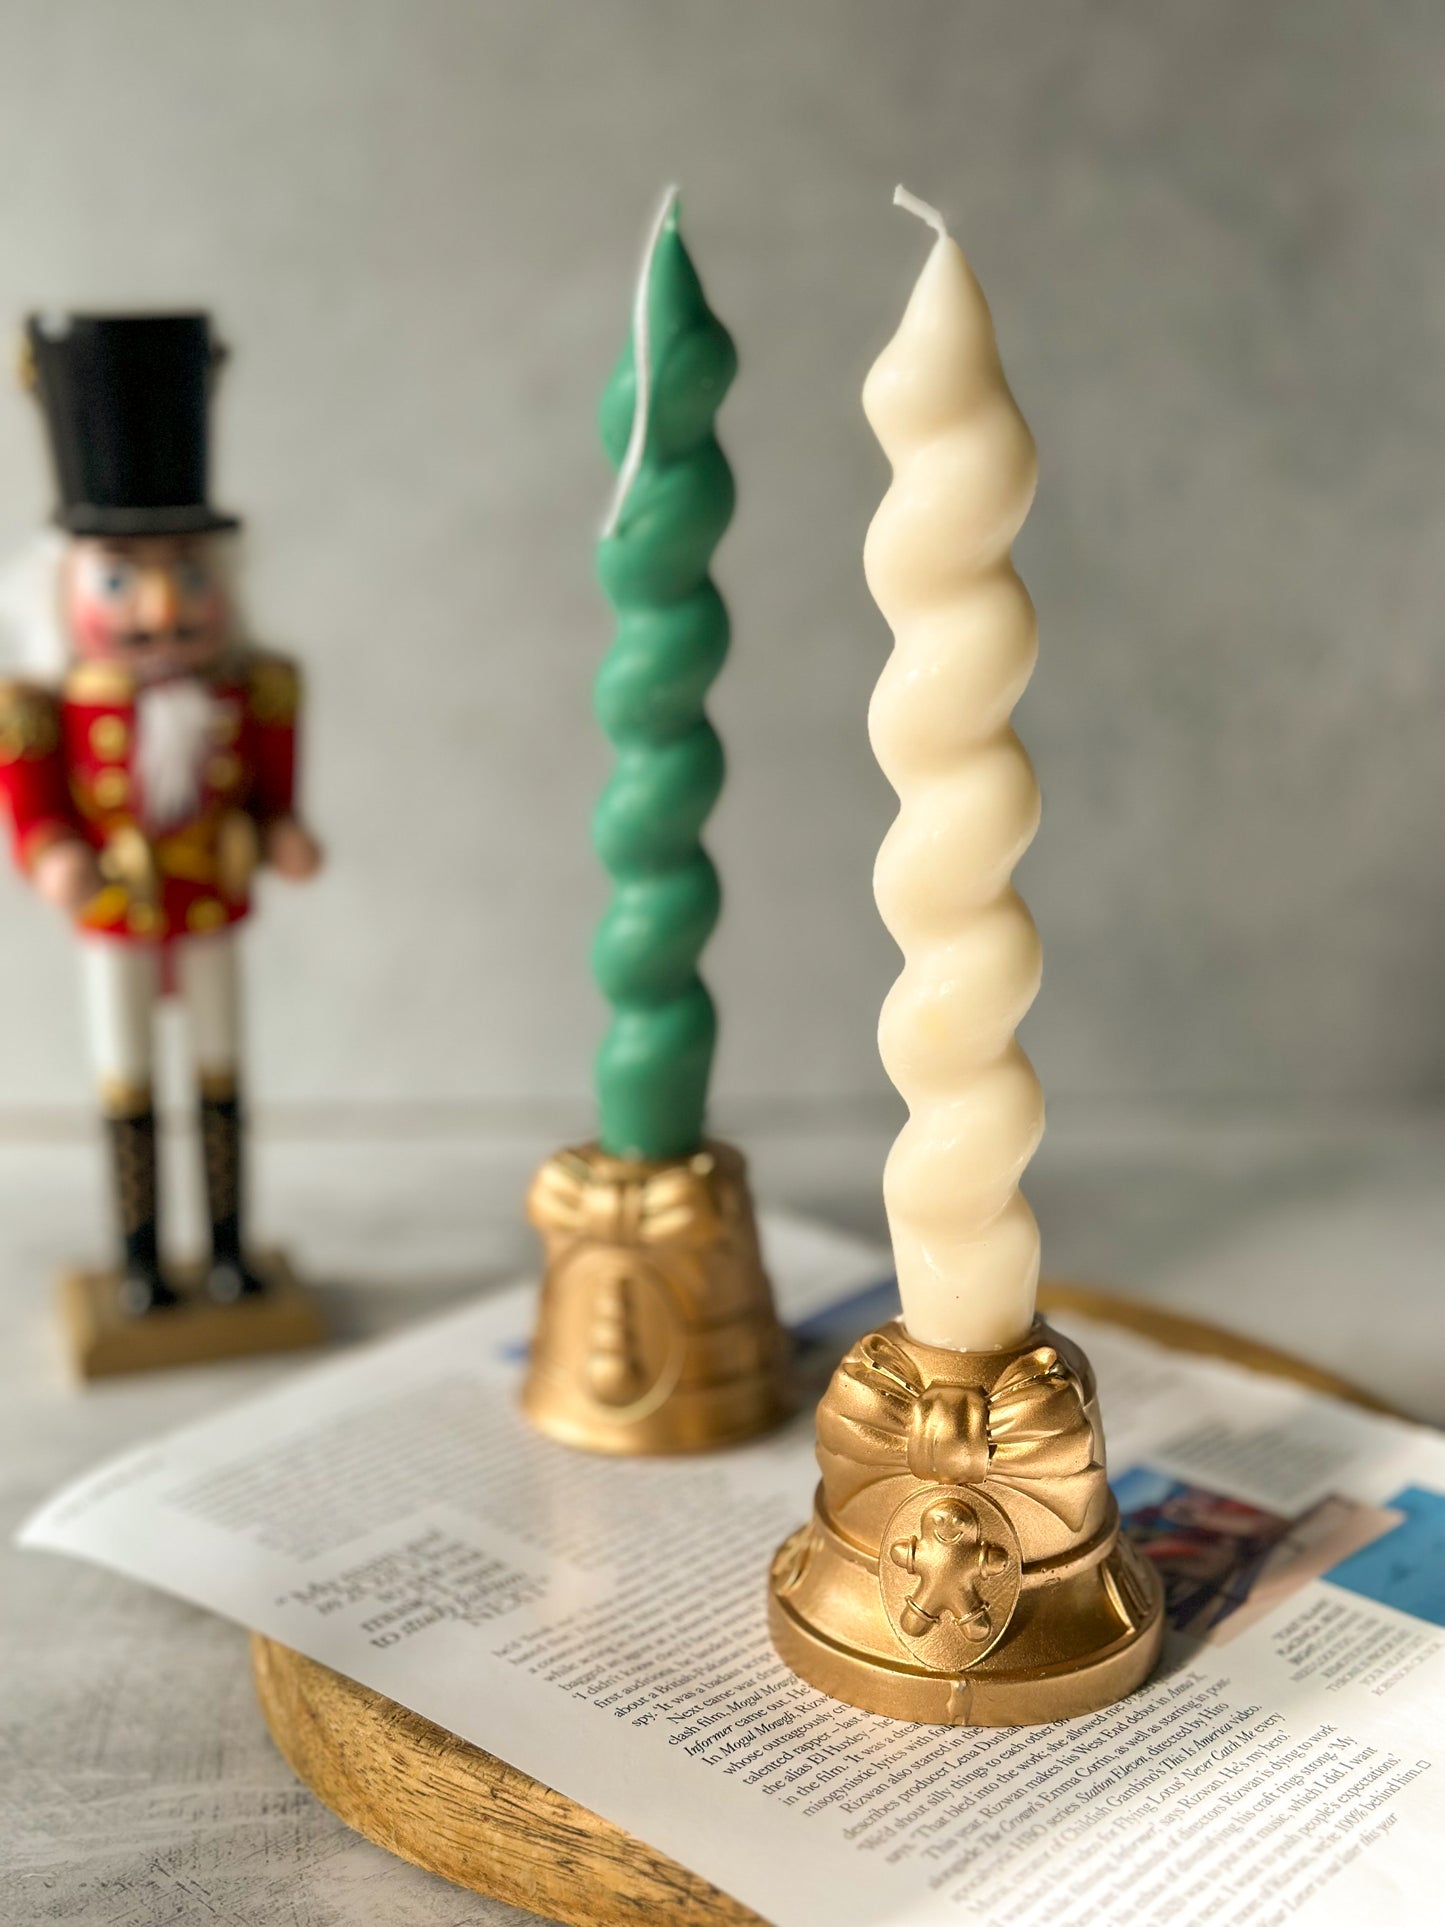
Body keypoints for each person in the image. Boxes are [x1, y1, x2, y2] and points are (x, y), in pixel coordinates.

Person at [0, 313, 321, 1315]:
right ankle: (141, 1256)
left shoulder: (253, 686)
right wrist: (53, 856)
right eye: (118, 578)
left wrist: (279, 829)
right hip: (117, 910)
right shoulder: (41, 705)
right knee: (128, 1073)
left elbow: (272, 783)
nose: (160, 608)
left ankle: (226, 1247)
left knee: (221, 1067)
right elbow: (34, 801)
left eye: (187, 573)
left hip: (210, 895)